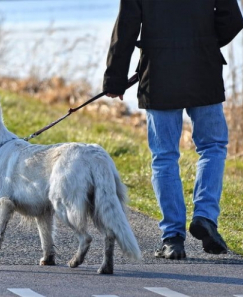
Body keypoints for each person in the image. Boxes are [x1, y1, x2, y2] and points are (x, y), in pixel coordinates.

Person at [103, 0, 243, 259]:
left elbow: (126, 27)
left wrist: (115, 78)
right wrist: (206, 43)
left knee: (164, 156)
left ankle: (172, 238)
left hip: (159, 75)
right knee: (212, 147)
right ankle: (205, 217)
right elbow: (233, 19)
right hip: (204, 69)